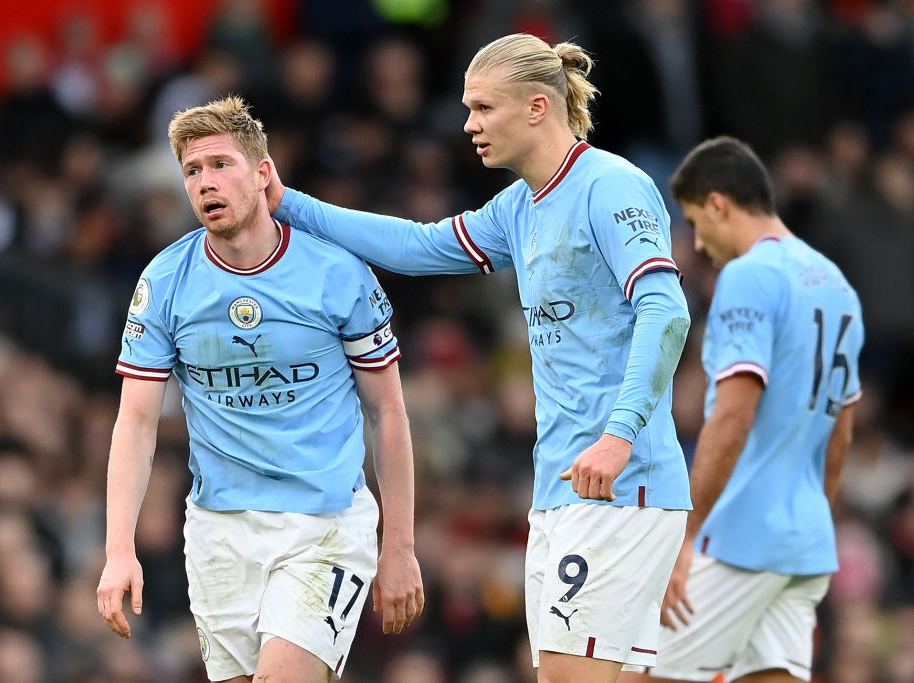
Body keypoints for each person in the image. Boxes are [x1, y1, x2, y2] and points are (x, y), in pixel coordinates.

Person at [266, 32, 692, 683]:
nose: (469, 125)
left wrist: (618, 435)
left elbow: (667, 312)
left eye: (484, 108)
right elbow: (418, 246)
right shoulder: (519, 206)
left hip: (620, 482)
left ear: (538, 107)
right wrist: (286, 204)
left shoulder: (611, 187)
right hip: (562, 486)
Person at [95, 95, 424, 683]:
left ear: (263, 174)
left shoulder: (337, 272)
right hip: (218, 529)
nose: (205, 182)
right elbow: (137, 422)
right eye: (192, 171)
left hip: (324, 524)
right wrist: (119, 547)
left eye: (221, 164)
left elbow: (388, 412)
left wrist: (398, 544)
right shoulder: (165, 281)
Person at [618, 136, 864, 683]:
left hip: (739, 534)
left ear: (718, 204)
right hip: (804, 541)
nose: (697, 243)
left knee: (637, 675)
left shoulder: (749, 276)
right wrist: (811, 519)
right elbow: (840, 433)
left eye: (693, 222)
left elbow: (733, 416)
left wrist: (687, 535)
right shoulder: (837, 287)